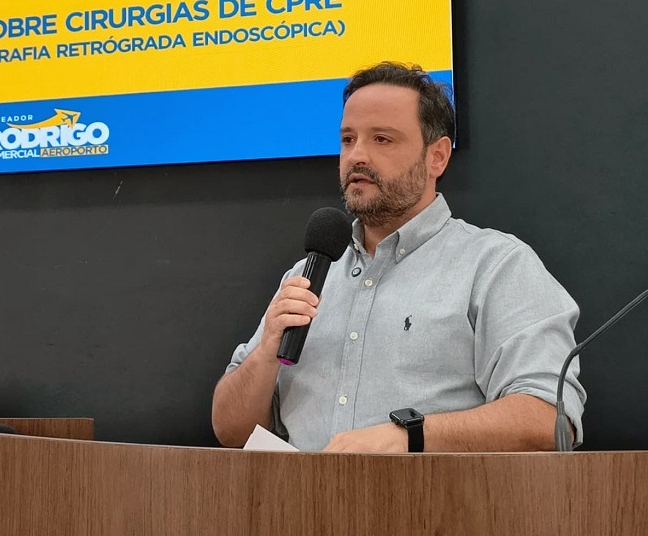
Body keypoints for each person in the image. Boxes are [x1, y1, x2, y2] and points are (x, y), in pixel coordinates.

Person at [211, 62, 586, 453]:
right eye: (348, 139)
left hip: (431, 495)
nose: (357, 156)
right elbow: (231, 431)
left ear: (437, 157)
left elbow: (550, 419)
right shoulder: (307, 276)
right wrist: (266, 353)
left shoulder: (495, 266)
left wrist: (410, 436)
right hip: (298, 494)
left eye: (382, 139)